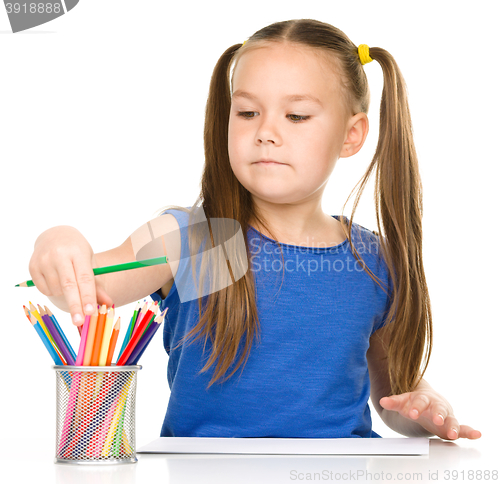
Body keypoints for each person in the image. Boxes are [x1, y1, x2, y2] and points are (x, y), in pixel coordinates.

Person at [28, 19, 481, 440]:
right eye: (247, 113)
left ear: (351, 134)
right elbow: (88, 285)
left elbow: (391, 398)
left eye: (296, 116)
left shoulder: (373, 259)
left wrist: (425, 407)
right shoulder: (199, 240)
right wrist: (60, 243)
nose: (266, 132)